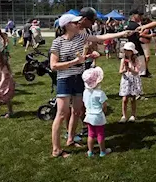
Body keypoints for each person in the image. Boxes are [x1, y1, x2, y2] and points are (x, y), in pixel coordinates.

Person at [49, 11, 132, 158]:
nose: (78, 24)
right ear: (67, 26)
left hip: (78, 79)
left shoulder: (81, 36)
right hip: (65, 80)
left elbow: (100, 37)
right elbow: (53, 66)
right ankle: (56, 149)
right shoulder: (58, 42)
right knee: (61, 114)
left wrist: (122, 33)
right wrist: (75, 62)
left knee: (77, 111)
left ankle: (70, 139)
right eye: (75, 23)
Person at [82, 67, 110, 157]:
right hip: (98, 116)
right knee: (100, 134)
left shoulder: (85, 92)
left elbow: (84, 102)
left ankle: (90, 152)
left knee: (90, 134)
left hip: (89, 115)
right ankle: (102, 151)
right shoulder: (100, 93)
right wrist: (104, 111)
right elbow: (104, 105)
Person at [119, 42, 142, 123]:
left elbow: (136, 72)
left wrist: (130, 69)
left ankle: (133, 115)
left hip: (133, 80)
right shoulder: (123, 60)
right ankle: (124, 115)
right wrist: (125, 70)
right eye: (125, 50)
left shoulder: (136, 60)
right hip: (126, 80)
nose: (127, 52)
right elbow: (120, 71)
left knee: (132, 98)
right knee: (124, 99)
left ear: (132, 51)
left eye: (128, 50)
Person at [0, 49, 15, 118]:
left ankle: (10, 112)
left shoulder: (3, 66)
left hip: (7, 83)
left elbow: (4, 78)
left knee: (6, 98)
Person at [125, 10, 149, 77]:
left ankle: (131, 70)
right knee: (140, 59)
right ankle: (141, 72)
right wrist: (147, 39)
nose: (139, 17)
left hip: (129, 45)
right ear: (133, 15)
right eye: (138, 15)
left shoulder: (128, 24)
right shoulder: (136, 26)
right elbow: (140, 38)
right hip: (137, 46)